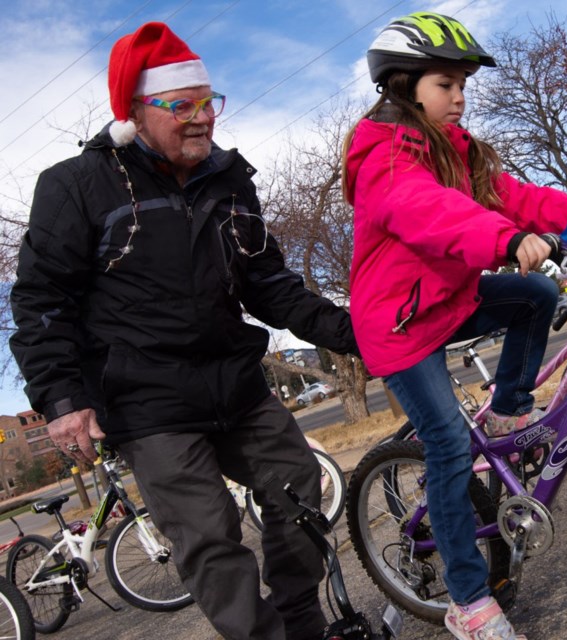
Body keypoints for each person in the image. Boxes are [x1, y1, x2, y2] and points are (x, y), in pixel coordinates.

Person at [9, 22, 356, 640]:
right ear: (137, 111)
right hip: (148, 401)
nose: (202, 118)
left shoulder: (228, 180)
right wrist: (62, 400)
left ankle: (302, 623)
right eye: (182, 106)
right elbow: (41, 299)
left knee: (301, 488)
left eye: (208, 102)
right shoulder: (76, 185)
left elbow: (267, 282)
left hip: (235, 382)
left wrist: (350, 331)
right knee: (208, 534)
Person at [343, 12, 567, 640]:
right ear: (403, 87)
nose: (459, 98)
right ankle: (466, 598)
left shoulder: (459, 151)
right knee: (450, 446)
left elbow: (522, 198)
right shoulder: (384, 155)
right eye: (444, 85)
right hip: (398, 327)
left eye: (462, 86)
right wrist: (504, 240)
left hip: (445, 300)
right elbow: (429, 212)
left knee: (537, 295)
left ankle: (508, 412)